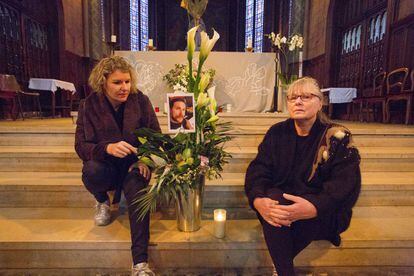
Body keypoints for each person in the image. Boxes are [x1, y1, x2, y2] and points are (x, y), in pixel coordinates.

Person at [245, 77, 361, 276]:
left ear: (320, 102)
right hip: (281, 206)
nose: (297, 102)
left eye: (306, 97)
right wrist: (258, 201)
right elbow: (258, 170)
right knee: (275, 200)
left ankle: (282, 270)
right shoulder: (277, 133)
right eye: (292, 98)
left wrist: (314, 207)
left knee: (295, 213)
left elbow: (347, 183)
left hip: (321, 208)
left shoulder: (337, 136)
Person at [75, 56, 160, 276]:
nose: (124, 88)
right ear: (103, 82)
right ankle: (102, 201)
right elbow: (81, 146)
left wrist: (145, 159)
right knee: (90, 171)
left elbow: (156, 137)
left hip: (134, 165)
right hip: (105, 165)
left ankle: (140, 263)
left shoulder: (141, 101)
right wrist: (107, 149)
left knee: (138, 196)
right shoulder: (89, 105)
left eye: (127, 81)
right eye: (117, 82)